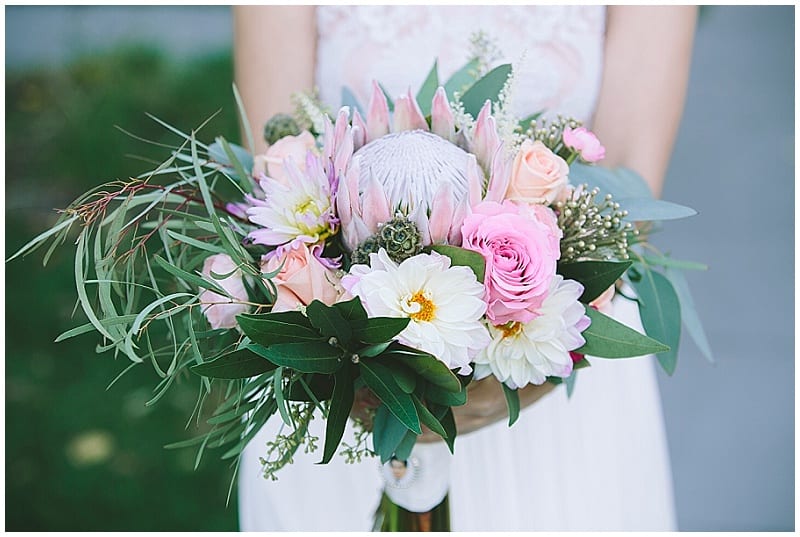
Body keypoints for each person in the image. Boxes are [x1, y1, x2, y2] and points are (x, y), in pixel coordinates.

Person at [233, 5, 697, 531]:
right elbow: (276, 161)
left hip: (543, 362)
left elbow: (630, 183)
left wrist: (507, 357)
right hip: (343, 371)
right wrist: (365, 366)